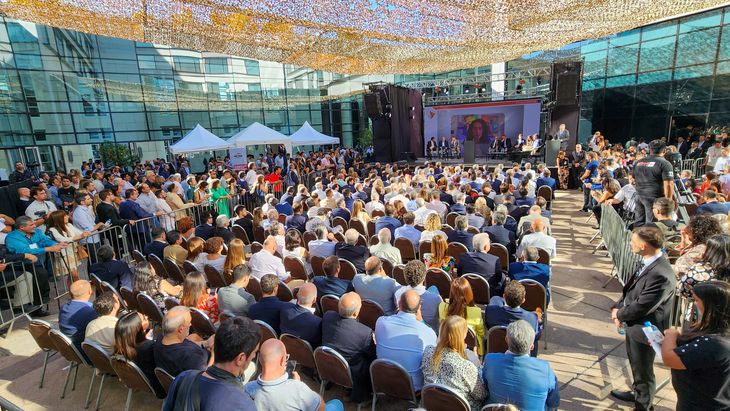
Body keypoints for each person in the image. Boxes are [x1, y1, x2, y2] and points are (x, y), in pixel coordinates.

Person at [610, 226, 677, 410]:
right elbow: (632, 289)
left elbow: (644, 305)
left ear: (643, 246)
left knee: (643, 371)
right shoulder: (648, 262)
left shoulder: (661, 274)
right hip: (634, 325)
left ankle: (644, 406)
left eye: (633, 241)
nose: (630, 244)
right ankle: (638, 393)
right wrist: (618, 306)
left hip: (646, 330)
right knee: (636, 367)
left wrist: (619, 314)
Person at [164, 316, 261, 411]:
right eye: (254, 352)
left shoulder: (183, 378)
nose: (253, 356)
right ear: (240, 358)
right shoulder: (243, 404)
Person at [661, 280, 730, 410]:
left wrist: (671, 335)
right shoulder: (714, 330)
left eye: (697, 300)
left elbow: (669, 358)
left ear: (711, 306)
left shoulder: (716, 344)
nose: (693, 304)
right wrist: (669, 343)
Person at [482, 320, 560, 409]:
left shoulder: (490, 360)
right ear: (532, 346)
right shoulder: (545, 369)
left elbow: (485, 388)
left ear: (506, 340)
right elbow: (554, 402)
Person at [375, 290, 437, 391]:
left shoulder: (381, 322)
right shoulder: (428, 332)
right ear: (419, 308)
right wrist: (421, 321)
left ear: (399, 304)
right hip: (411, 388)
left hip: (383, 381)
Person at [421, 315, 487, 410]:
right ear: (462, 336)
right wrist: (478, 365)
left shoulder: (428, 351)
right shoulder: (467, 366)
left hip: (432, 405)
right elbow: (482, 395)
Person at [321, 292, 376, 403]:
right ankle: (364, 398)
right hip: (352, 374)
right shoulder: (365, 332)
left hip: (327, 366)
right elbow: (372, 356)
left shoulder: (327, 316)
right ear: (356, 312)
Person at [245, 339, 327, 411]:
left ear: (260, 360)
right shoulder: (298, 389)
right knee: (333, 404)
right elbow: (321, 408)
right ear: (281, 360)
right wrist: (298, 384)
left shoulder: (247, 389)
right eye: (286, 357)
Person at [5, 216, 61, 307]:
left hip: (36, 262)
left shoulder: (37, 231)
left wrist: (56, 245)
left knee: (41, 274)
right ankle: (37, 302)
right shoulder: (12, 237)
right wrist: (47, 249)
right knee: (40, 274)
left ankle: (41, 300)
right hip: (19, 265)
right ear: (22, 227)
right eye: (31, 225)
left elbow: (45, 240)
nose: (35, 226)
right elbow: (24, 251)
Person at [113, 311, 164, 397]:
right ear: (138, 327)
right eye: (144, 318)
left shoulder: (122, 347)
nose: (146, 317)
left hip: (139, 382)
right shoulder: (149, 347)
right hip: (159, 387)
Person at [153, 306, 213, 377]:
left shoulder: (161, 339)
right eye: (189, 322)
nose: (190, 325)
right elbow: (205, 379)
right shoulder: (191, 356)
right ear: (181, 329)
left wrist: (205, 343)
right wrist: (214, 354)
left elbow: (185, 344)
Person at [632, 140, 675, 227]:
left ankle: (636, 235)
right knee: (651, 226)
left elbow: (633, 177)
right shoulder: (665, 163)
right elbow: (668, 184)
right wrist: (668, 201)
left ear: (650, 149)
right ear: (664, 150)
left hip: (639, 196)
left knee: (639, 223)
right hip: (654, 198)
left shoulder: (638, 162)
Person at [394, 260, 442, 332]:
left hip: (407, 328)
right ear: (424, 276)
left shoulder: (398, 292)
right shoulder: (436, 299)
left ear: (405, 277)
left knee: (433, 288)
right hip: (429, 332)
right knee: (433, 288)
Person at [59, 280, 97, 355]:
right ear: (90, 291)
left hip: (68, 349)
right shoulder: (90, 311)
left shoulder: (63, 307)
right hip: (85, 351)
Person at [279, 283, 322, 347]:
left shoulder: (285, 309)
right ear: (314, 300)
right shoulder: (318, 322)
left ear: (297, 295)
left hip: (286, 347)